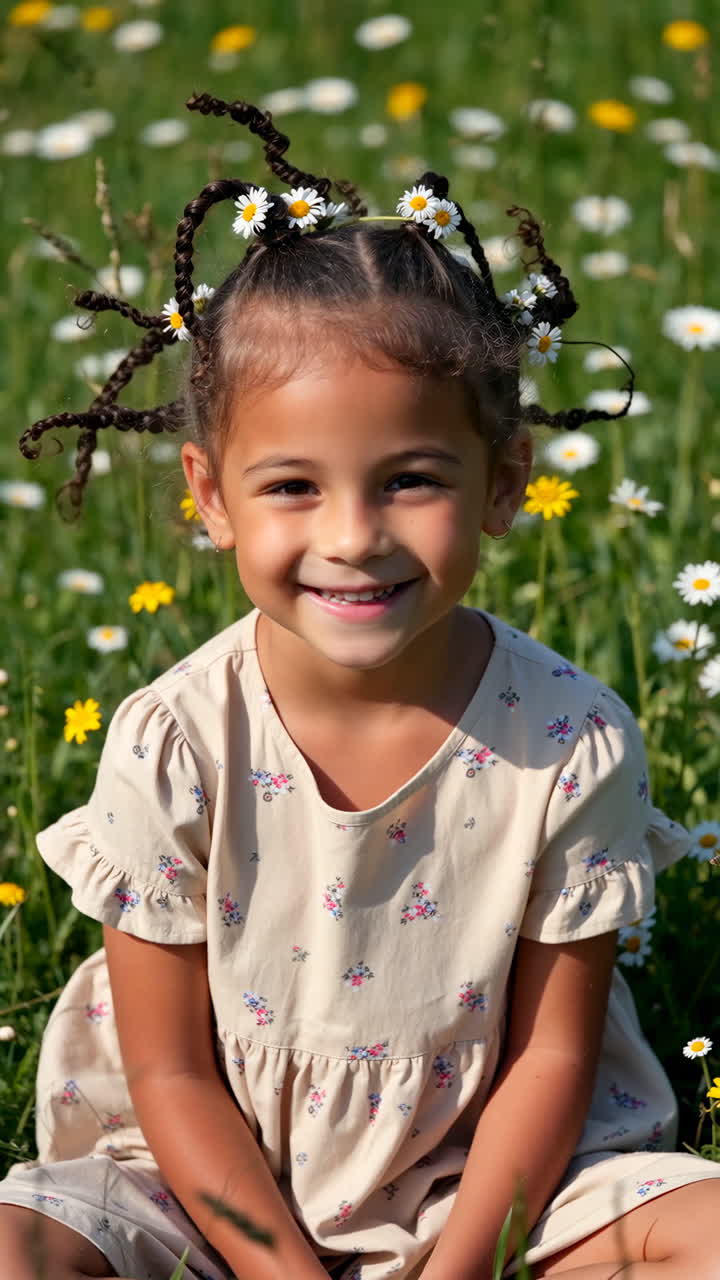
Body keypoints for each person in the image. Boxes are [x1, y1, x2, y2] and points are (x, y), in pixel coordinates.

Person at [0, 91, 718, 1280]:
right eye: (291, 485)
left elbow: (549, 1059)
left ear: (504, 483)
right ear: (209, 493)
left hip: (499, 1187)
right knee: (18, 1240)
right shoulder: (175, 741)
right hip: (203, 1190)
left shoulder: (568, 740)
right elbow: (171, 1073)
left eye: (411, 478)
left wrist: (456, 1271)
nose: (354, 536)